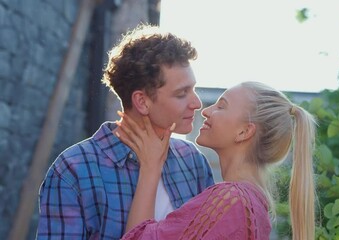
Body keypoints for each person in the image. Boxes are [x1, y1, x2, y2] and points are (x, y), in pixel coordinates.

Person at [36, 24, 214, 239]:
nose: (196, 103)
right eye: (181, 94)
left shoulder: (193, 161)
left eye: (193, 89)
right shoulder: (74, 170)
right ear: (142, 101)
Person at [116, 81, 317, 240]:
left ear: (244, 131)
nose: (206, 111)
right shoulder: (254, 205)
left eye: (221, 106)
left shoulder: (231, 199)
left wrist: (150, 167)